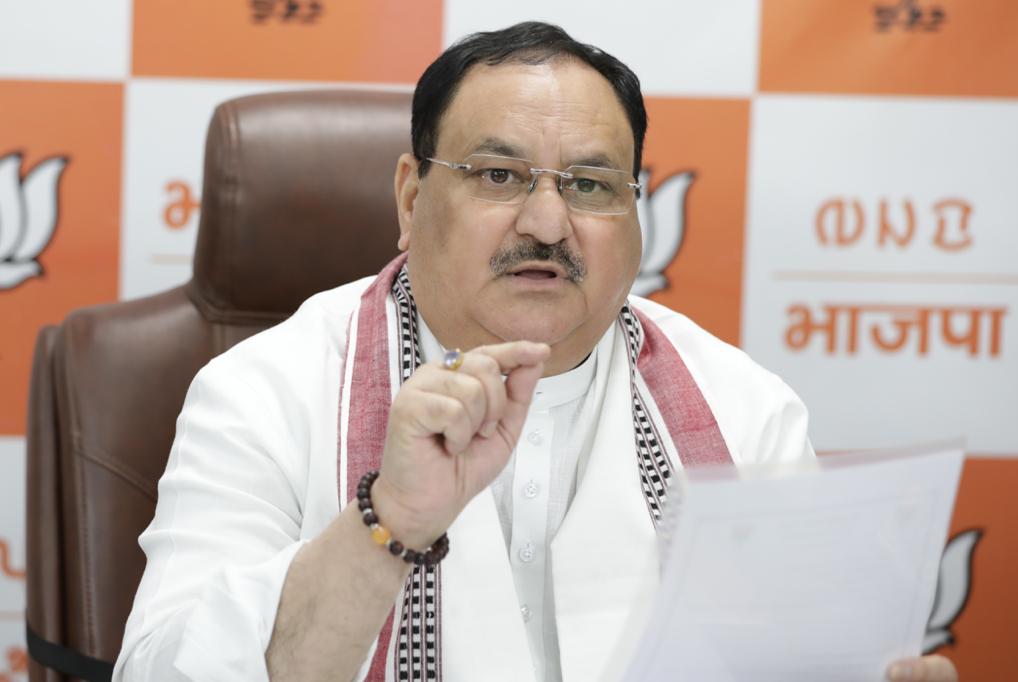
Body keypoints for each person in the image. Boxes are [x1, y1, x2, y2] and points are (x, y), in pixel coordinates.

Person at [113, 21, 957, 682]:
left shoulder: (744, 408)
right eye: (498, 175)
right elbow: (164, 670)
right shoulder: (265, 391)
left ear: (635, 218)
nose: (548, 224)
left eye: (589, 184)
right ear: (412, 198)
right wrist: (389, 524)